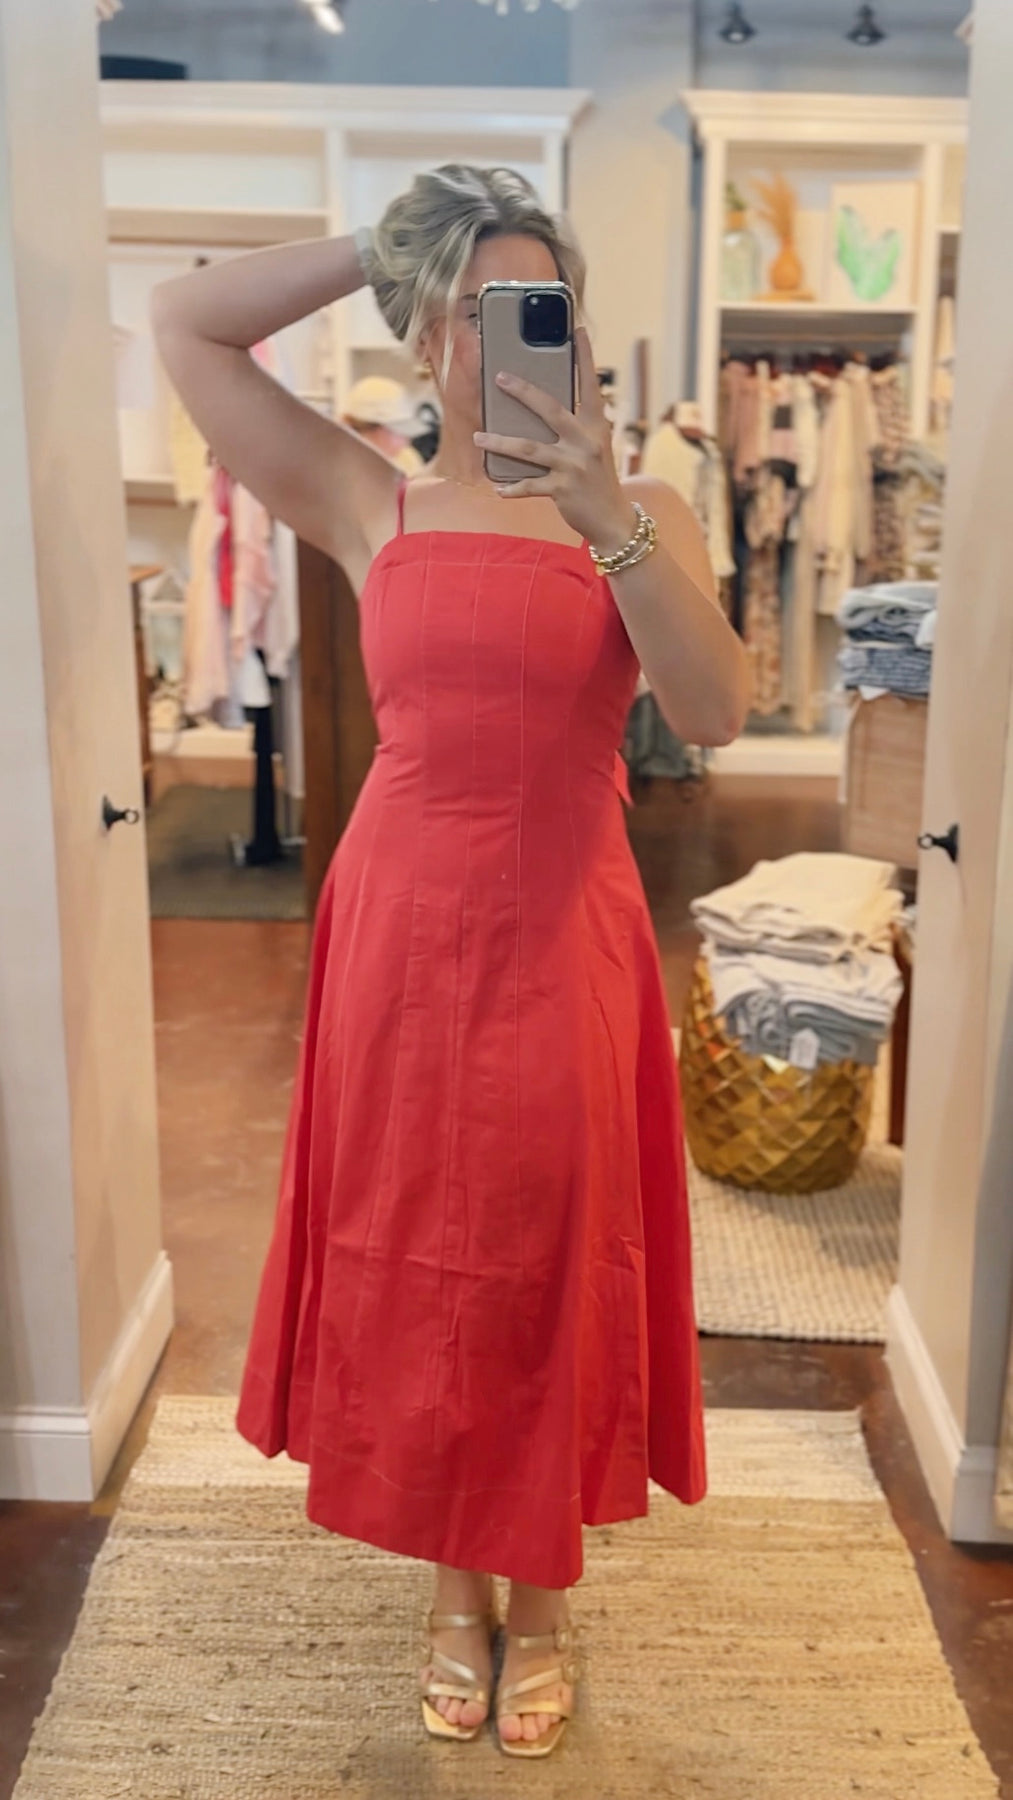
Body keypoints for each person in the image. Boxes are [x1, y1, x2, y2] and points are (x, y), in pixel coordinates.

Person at [151, 163, 749, 1763]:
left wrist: (610, 520)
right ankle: (450, 1586)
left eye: (537, 306)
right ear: (426, 333)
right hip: (400, 932)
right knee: (421, 1252)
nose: (506, 337)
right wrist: (396, 235)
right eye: (476, 309)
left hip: (567, 926)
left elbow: (712, 713)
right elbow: (187, 323)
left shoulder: (646, 506)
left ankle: (538, 1592)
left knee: (550, 1248)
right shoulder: (372, 500)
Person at [341, 373, 426, 476]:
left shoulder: (407, 460)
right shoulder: (335, 468)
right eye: (400, 431)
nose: (407, 441)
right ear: (366, 431)